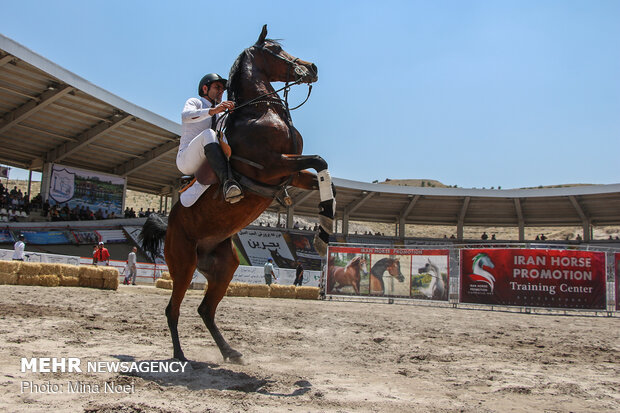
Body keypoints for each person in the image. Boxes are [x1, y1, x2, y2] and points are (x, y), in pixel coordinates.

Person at [177, 73, 242, 204]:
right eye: (217, 87)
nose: (221, 92)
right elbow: (186, 116)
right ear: (205, 89)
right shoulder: (195, 102)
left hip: (207, 160)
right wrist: (213, 111)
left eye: (223, 90)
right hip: (186, 160)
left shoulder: (220, 114)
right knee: (209, 134)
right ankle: (228, 183)